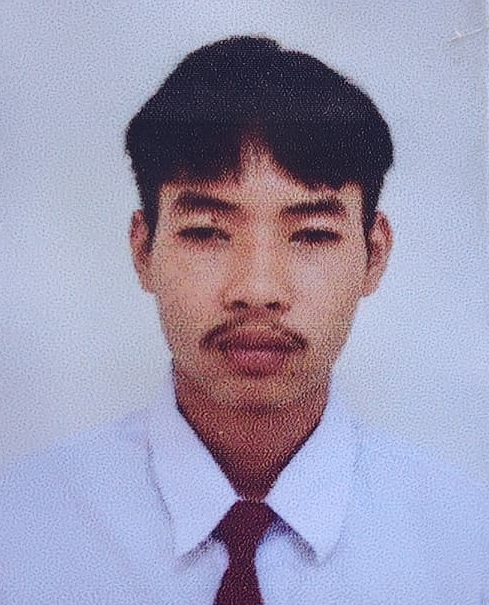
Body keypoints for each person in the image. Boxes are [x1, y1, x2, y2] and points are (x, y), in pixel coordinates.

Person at [1, 36, 487, 605]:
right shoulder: (21, 530)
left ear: (373, 255)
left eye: (312, 235)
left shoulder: (466, 543)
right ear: (143, 250)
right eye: (206, 231)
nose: (257, 291)